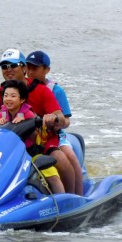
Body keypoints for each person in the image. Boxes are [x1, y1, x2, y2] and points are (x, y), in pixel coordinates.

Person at [0, 48, 76, 194]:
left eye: (13, 65)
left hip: (40, 141)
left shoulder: (41, 90)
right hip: (10, 145)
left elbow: (61, 117)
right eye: (4, 67)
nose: (9, 70)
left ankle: (73, 198)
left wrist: (53, 117)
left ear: (24, 67)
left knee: (61, 159)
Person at [26, 50, 83, 196]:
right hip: (31, 135)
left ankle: (78, 195)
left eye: (35, 68)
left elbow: (66, 120)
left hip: (55, 134)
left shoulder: (55, 91)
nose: (30, 72)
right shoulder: (20, 88)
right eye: (28, 67)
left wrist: (56, 121)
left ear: (47, 70)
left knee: (70, 157)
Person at [0, 79, 65, 193]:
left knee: (52, 175)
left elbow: (36, 135)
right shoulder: (0, 115)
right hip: (9, 156)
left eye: (13, 96)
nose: (8, 99)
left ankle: (62, 201)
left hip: (30, 154)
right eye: (6, 95)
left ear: (22, 99)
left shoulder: (28, 114)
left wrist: (26, 122)